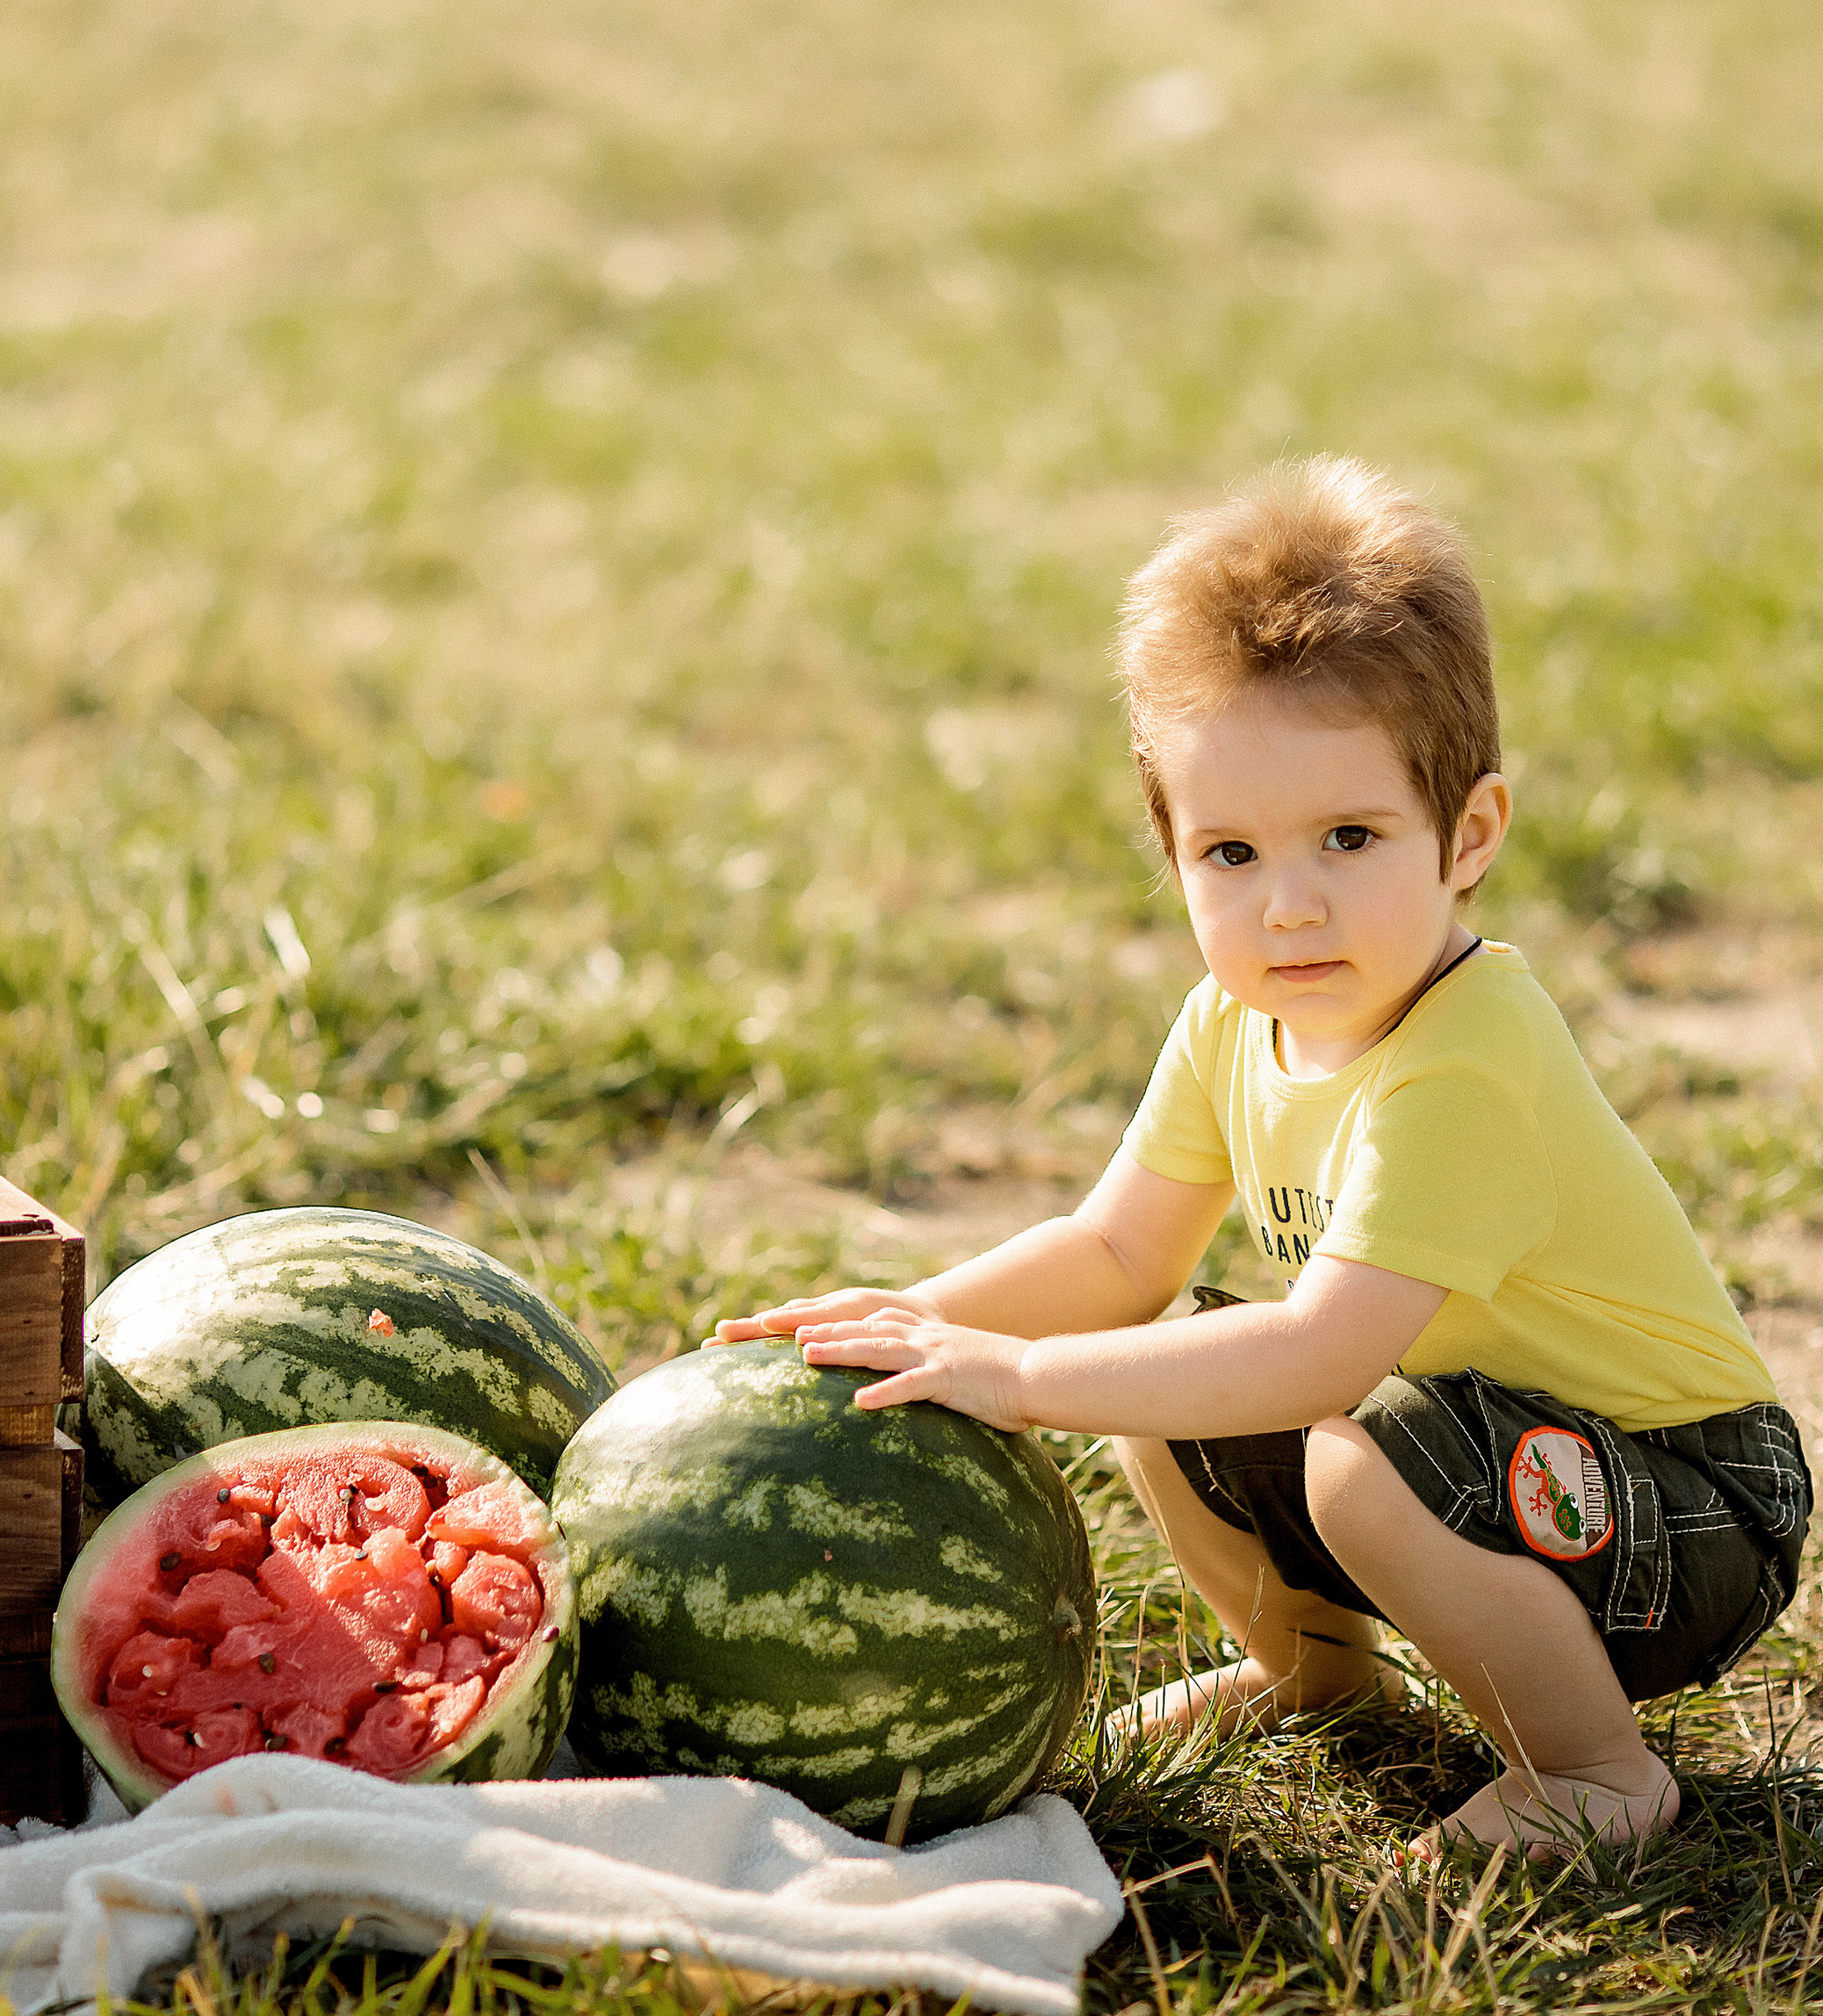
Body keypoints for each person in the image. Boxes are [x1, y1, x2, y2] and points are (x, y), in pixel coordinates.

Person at [711, 455, 1811, 1857]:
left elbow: (1321, 1358)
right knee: (1166, 1373)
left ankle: (1596, 1769)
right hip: (1491, 1450)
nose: (1289, 908)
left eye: (1348, 837)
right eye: (1229, 854)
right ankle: (1313, 1668)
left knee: (1353, 1455)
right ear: (1168, 851)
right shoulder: (1233, 1022)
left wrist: (1027, 1379)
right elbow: (1116, 1253)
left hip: (1691, 1505)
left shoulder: (1467, 1060)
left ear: (1467, 837)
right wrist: (926, 1318)